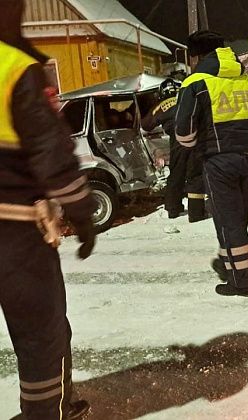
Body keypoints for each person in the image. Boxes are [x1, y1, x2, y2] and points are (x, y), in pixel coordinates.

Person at [0, 0, 96, 418]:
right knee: (42, 333)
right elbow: (50, 151)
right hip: (14, 232)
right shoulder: (15, 67)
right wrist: (82, 209)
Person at [176, 31, 248, 296]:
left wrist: (197, 146)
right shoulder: (246, 79)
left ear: (198, 56)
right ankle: (232, 265)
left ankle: (242, 282)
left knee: (228, 222)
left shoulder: (196, 82)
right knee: (238, 218)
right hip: (247, 158)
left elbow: (183, 131)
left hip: (217, 160)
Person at [142, 79, 207, 222]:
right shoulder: (187, 98)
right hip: (195, 139)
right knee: (195, 175)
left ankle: (173, 209)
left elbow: (146, 125)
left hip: (177, 142)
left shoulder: (161, 106)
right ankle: (196, 213)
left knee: (176, 174)